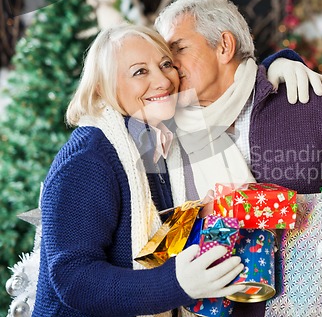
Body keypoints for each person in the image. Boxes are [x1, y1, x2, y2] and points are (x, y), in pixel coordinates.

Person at [154, 0, 322, 316]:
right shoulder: (162, 131)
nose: (170, 66)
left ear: (224, 46)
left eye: (179, 49)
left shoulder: (308, 99)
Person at [33, 24, 246, 317]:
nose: (163, 80)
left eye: (166, 64)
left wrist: (196, 217)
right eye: (139, 72)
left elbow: (141, 246)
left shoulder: (151, 142)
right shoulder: (89, 156)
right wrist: (176, 282)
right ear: (101, 87)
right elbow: (73, 279)